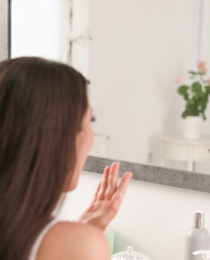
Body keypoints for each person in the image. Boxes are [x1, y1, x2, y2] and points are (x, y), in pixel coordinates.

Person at [0, 57, 133, 259]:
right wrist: (79, 240)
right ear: (55, 138)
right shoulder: (82, 246)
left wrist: (76, 232)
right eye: (88, 123)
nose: (90, 138)